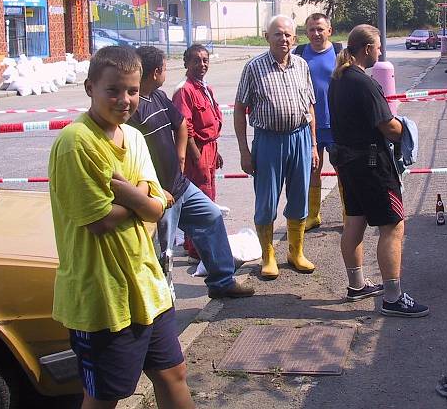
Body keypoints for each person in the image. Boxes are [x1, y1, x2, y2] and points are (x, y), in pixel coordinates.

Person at [48, 46, 194, 409]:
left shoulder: (132, 137)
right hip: (103, 298)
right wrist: (143, 200)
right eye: (112, 90)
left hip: (146, 287)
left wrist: (129, 195)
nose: (124, 99)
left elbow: (159, 207)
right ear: (89, 88)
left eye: (131, 90)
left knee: (173, 373)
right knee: (104, 397)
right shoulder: (75, 143)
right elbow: (98, 221)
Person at [129, 46, 254, 300]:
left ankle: (221, 281)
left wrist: (180, 158)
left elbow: (181, 124)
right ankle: (160, 305)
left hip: (180, 186)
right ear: (155, 72)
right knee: (163, 251)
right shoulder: (132, 111)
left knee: (210, 217)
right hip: (159, 195)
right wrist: (154, 187)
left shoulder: (159, 97)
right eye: (165, 67)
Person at [329, 24, 429, 317]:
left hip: (348, 164)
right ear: (367, 49)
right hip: (372, 166)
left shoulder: (339, 78)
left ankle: (357, 285)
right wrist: (406, 129)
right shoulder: (364, 82)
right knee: (393, 226)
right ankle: (393, 298)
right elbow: (388, 126)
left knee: (355, 224)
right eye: (379, 47)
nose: (381, 51)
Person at [234, 15, 319, 280]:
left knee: (298, 198)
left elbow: (310, 107)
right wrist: (244, 151)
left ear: (295, 39)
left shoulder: (302, 65)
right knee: (267, 201)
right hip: (268, 142)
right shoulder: (253, 67)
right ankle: (268, 256)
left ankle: (296, 252)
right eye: (277, 34)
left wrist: (314, 145)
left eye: (288, 35)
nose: (283, 39)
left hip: (300, 138)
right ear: (267, 37)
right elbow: (239, 109)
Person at [172, 44, 224, 259]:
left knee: (209, 194)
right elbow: (185, 125)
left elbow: (212, 122)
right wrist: (195, 154)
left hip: (210, 148)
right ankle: (196, 248)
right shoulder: (185, 90)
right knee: (199, 197)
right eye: (196, 60)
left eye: (205, 60)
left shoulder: (204, 87)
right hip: (197, 151)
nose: (201, 64)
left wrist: (215, 153)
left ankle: (195, 243)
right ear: (186, 63)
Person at [293, 13, 342, 230]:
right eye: (311, 29)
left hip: (337, 126)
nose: (315, 33)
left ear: (329, 31)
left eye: (320, 29)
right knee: (313, 170)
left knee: (343, 171)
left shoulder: (341, 53)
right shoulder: (299, 53)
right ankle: (313, 215)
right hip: (308, 126)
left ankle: (348, 215)